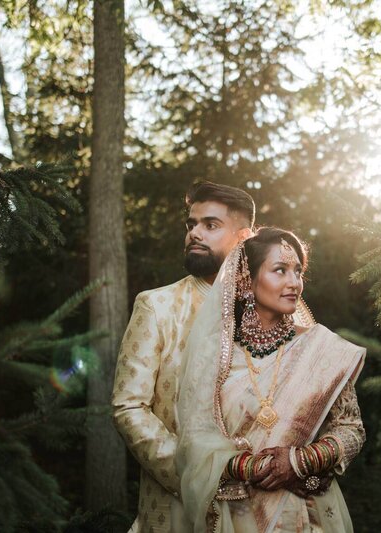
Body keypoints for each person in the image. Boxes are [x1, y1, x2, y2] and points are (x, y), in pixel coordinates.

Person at [174, 227, 366, 532]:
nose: (294, 283)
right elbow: (193, 442)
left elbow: (351, 431)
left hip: (308, 514)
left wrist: (301, 462)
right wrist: (250, 467)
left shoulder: (322, 349)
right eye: (280, 271)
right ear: (245, 281)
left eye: (298, 272)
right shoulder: (216, 356)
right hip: (235, 516)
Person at [112, 182, 256, 533]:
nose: (194, 233)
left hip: (258, 508)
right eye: (191, 225)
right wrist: (199, 476)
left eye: (210, 225)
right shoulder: (157, 306)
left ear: (243, 237)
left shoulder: (266, 309)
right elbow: (129, 406)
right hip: (173, 510)